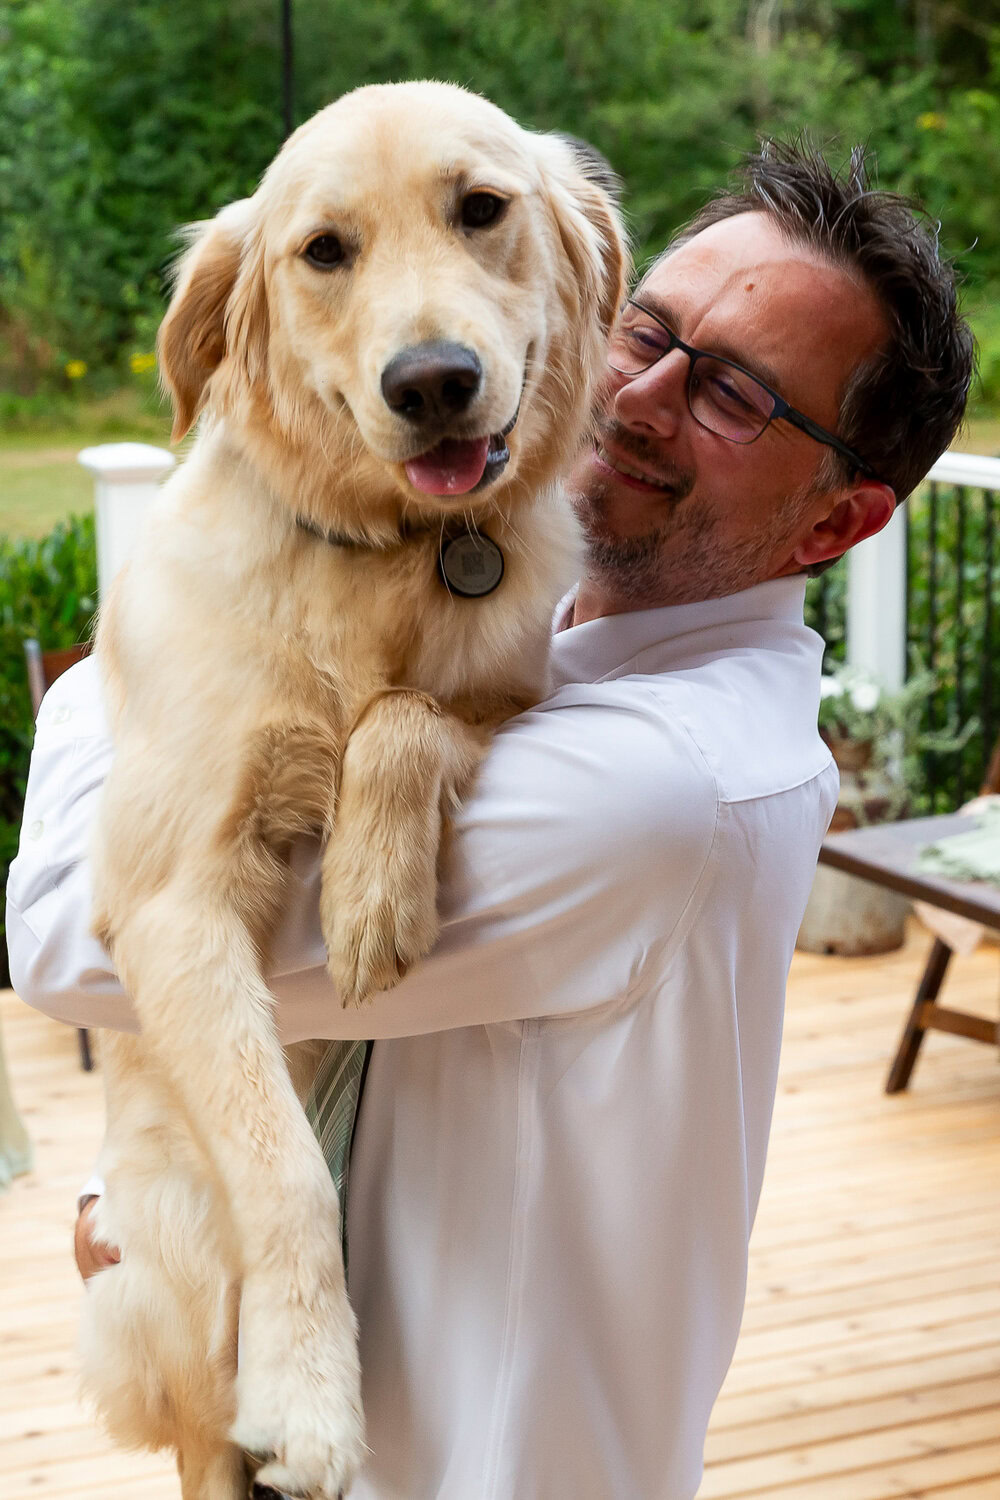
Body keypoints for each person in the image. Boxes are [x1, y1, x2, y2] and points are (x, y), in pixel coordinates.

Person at [6, 141, 974, 1500]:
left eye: (737, 395)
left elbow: (72, 937)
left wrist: (162, 629)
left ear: (839, 520)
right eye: (645, 328)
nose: (635, 395)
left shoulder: (661, 784)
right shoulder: (529, 635)